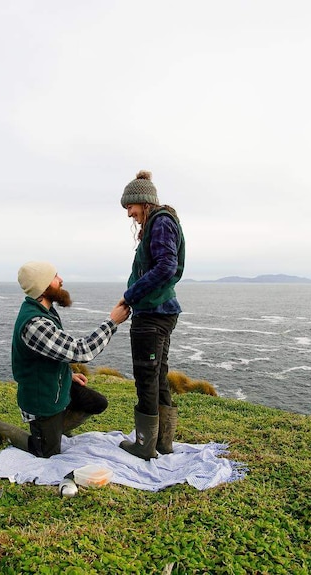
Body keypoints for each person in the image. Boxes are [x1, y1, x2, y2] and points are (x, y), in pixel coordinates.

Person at [0, 261, 130, 458]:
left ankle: (55, 429)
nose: (61, 280)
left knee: (97, 403)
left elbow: (53, 353)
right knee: (46, 452)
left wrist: (68, 374)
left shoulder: (46, 311)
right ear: (43, 286)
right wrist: (112, 322)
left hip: (57, 386)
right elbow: (81, 351)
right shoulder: (34, 324)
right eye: (55, 277)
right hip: (42, 398)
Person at [118, 170, 185, 460]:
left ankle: (145, 445)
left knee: (146, 378)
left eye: (129, 207)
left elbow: (166, 266)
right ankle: (163, 443)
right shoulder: (161, 222)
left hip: (152, 315)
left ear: (143, 202)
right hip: (162, 311)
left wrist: (129, 296)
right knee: (158, 377)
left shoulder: (160, 222)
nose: (129, 213)